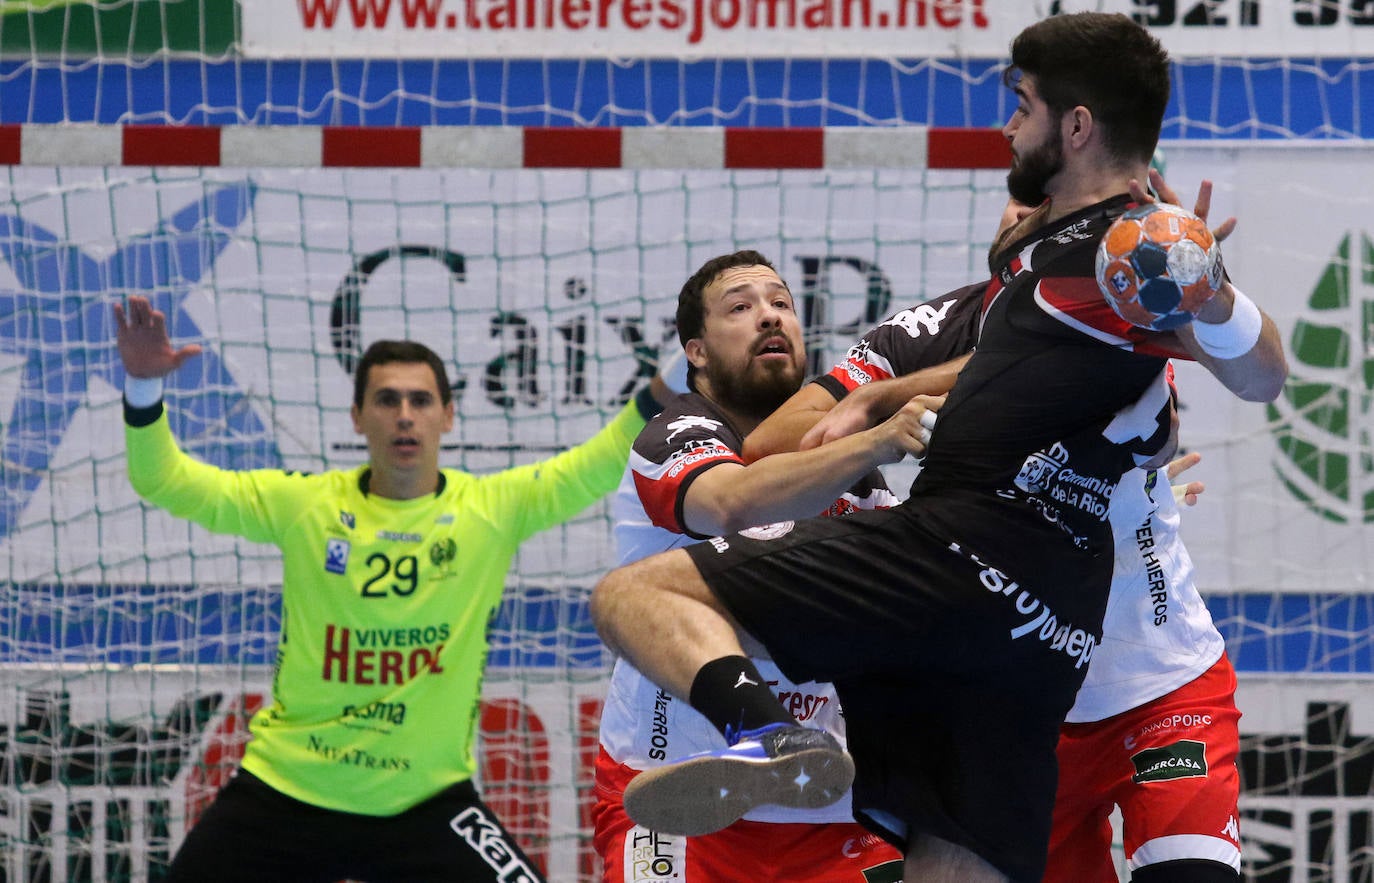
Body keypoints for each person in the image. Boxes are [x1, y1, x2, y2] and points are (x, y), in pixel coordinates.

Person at [589, 12, 1287, 883]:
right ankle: (766, 734)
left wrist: (1209, 292)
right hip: (1048, 635)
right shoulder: (984, 308)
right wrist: (884, 398)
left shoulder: (1116, 263)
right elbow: (775, 442)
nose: (1007, 133)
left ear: (1076, 133)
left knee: (632, 593)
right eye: (741, 306)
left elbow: (1257, 371)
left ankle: (763, 729)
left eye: (1021, 107)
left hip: (1027, 596)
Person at [747, 178, 1245, 883]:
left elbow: (1203, 398)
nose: (1031, 216)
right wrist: (883, 427)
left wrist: (1202, 283)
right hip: (1021, 706)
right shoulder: (926, 329)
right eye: (1024, 201)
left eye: (1057, 207)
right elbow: (777, 439)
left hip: (1159, 679)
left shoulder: (1122, 316)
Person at [113, 294, 675, 882]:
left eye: (420, 400)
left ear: (447, 415)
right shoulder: (305, 506)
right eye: (386, 400)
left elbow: (605, 454)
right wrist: (144, 386)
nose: (404, 414)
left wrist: (692, 360)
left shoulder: (492, 510)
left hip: (425, 805)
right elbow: (163, 479)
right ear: (357, 417)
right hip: (286, 792)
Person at [593, 250, 933, 882]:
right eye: (741, 308)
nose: (769, 318)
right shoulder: (674, 433)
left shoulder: (853, 473)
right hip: (677, 794)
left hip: (831, 806)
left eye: (781, 304)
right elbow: (730, 502)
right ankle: (759, 732)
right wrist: (880, 434)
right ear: (695, 351)